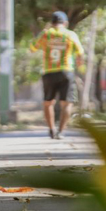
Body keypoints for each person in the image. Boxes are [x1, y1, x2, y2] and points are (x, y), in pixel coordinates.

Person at [30, 11, 84, 139]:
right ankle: (61, 131)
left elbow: (32, 48)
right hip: (66, 71)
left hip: (48, 72)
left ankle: (51, 129)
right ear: (65, 23)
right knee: (67, 103)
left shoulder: (46, 34)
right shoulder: (70, 35)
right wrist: (79, 64)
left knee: (48, 103)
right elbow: (80, 53)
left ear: (52, 23)